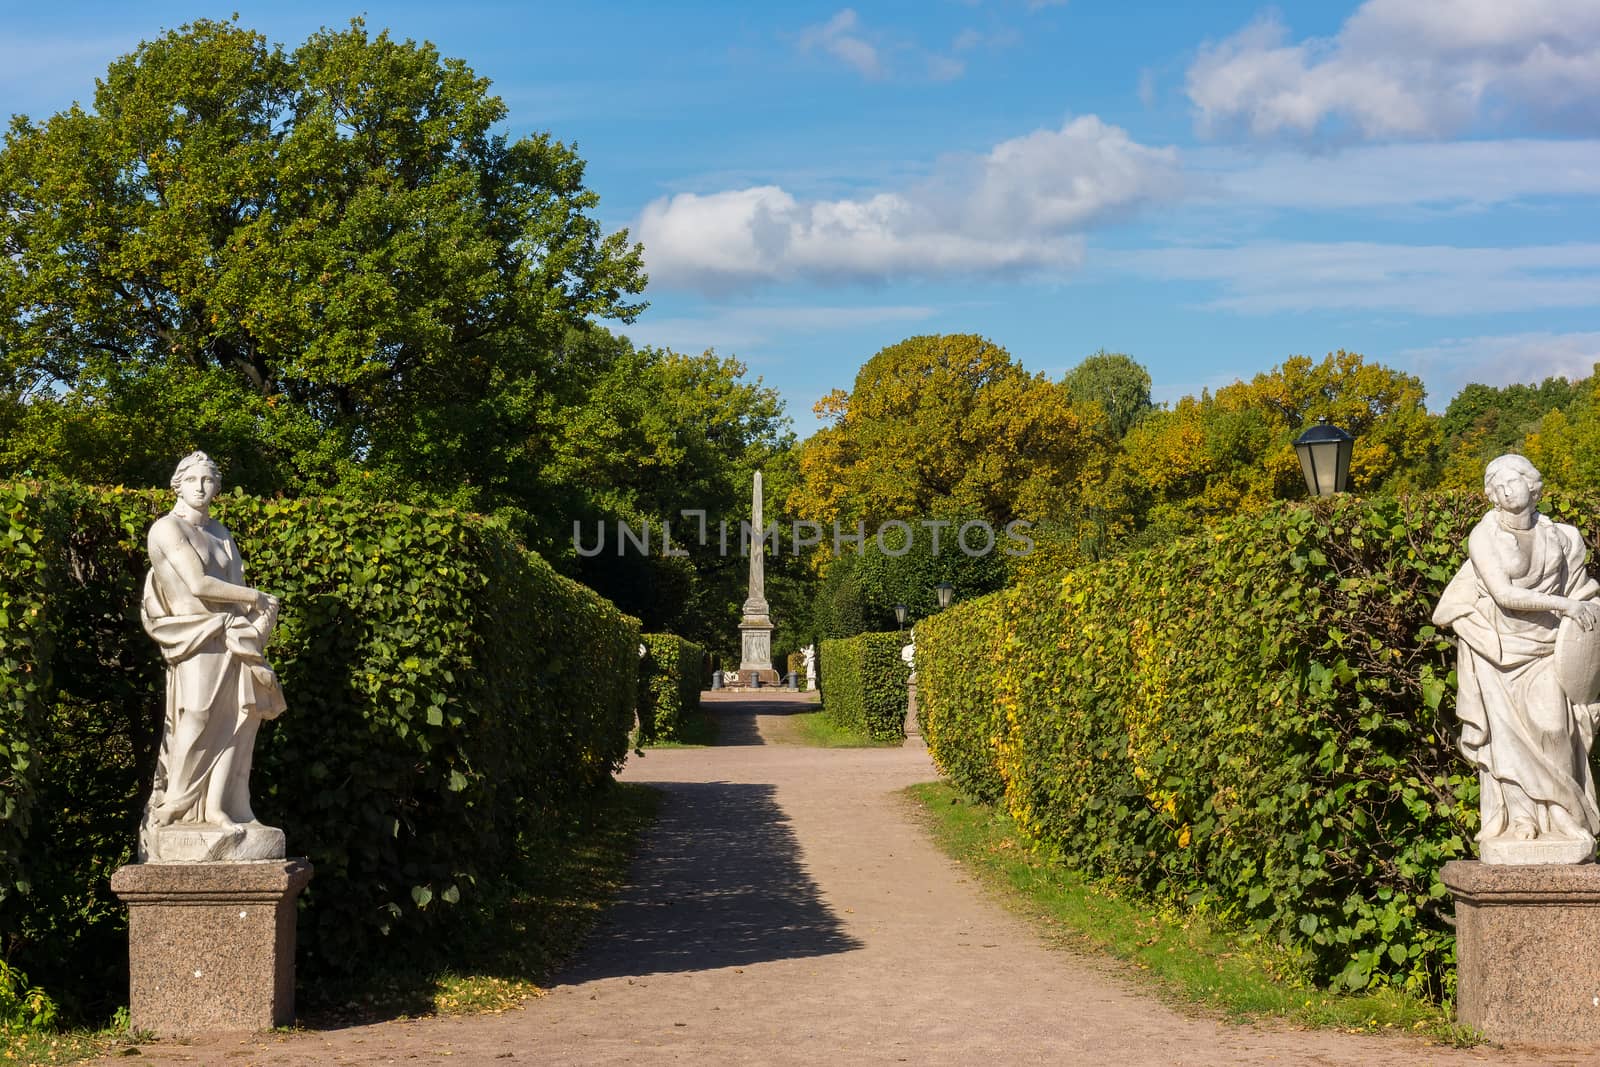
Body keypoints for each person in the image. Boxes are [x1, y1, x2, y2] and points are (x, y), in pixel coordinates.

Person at [1433, 454, 1600, 857]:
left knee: (1554, 728)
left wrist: (1580, 611)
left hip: (1547, 646)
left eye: (1514, 480)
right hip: (1498, 647)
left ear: (1532, 484)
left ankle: (1563, 813)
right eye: (1498, 485)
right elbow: (1504, 593)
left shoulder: (1564, 537)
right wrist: (1562, 606)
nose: (1507, 489)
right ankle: (1521, 817)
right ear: (1491, 496)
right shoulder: (1483, 536)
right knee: (1506, 740)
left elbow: (1583, 592)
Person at [139, 451, 285, 860]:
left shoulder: (221, 531)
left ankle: (221, 808)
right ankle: (177, 805)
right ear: (178, 484)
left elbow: (232, 588)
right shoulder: (167, 529)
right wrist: (257, 597)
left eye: (209, 481)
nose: (202, 488)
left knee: (238, 721)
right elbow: (200, 584)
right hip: (197, 635)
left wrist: (256, 626)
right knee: (200, 715)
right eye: (194, 480)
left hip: (233, 635)